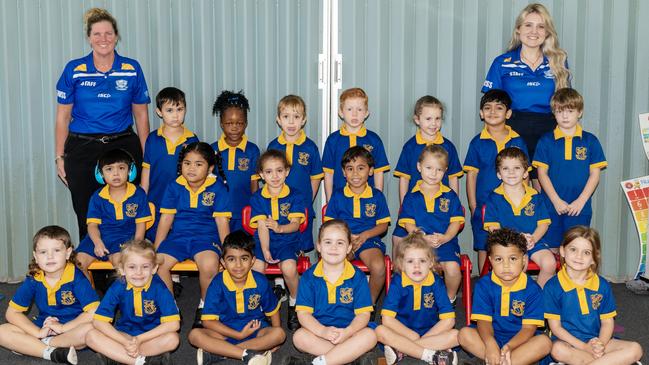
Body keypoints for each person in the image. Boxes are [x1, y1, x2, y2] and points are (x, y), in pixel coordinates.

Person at [55, 8, 150, 240]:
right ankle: (93, 271)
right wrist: (59, 157)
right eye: (97, 34)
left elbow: (141, 117)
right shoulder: (74, 70)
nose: (103, 39)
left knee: (128, 209)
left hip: (123, 145)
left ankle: (127, 270)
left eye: (108, 33)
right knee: (87, 212)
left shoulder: (131, 68)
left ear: (116, 36)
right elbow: (62, 118)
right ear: (89, 38)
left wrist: (147, 159)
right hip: (82, 148)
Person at [481, 3, 570, 187]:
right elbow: (491, 105)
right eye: (528, 25)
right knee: (513, 188)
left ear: (547, 32)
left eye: (541, 26)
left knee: (544, 191)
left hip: (548, 130)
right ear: (518, 29)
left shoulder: (558, 62)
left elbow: (566, 104)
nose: (534, 31)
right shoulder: (502, 63)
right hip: (512, 129)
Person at [154, 142, 231, 326]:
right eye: (187, 163)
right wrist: (156, 249)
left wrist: (227, 252)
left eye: (198, 164)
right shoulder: (174, 186)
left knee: (209, 265)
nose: (191, 169)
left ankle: (205, 306)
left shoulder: (218, 188)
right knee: (158, 264)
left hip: (206, 238)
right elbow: (166, 219)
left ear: (210, 167)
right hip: (178, 238)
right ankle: (171, 307)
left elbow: (222, 222)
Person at [544, 226, 643, 364]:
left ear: (594, 258)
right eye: (573, 250)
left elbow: (608, 322)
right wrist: (584, 347)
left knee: (636, 349)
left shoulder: (602, 285)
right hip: (568, 343)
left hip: (598, 340)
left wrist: (599, 345)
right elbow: (556, 328)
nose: (579, 256)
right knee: (557, 350)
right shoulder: (552, 286)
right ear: (562, 251)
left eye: (586, 252)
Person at [0, 226, 99, 364]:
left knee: (92, 329)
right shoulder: (35, 278)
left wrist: (63, 328)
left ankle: (37, 345)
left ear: (68, 252)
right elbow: (12, 313)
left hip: (73, 329)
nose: (50, 256)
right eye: (43, 252)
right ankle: (51, 353)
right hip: (44, 327)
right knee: (2, 332)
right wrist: (37, 332)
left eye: (57, 250)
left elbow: (94, 312)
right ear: (35, 256)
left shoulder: (76, 278)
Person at [188, 230, 285, 365]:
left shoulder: (261, 281)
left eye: (244, 258)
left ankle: (222, 354)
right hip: (225, 332)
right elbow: (208, 321)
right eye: (231, 259)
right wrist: (238, 335)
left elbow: (273, 310)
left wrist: (275, 339)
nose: (238, 265)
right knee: (194, 335)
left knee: (279, 334)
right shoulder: (217, 283)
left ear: (252, 261)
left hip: (255, 330)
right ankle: (248, 353)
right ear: (222, 262)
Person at [458, 228, 551, 365]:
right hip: (489, 336)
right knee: (464, 334)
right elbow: (484, 322)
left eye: (513, 259)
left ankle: (496, 361)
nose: (506, 265)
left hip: (520, 342)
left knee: (545, 343)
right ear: (490, 261)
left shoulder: (532, 290)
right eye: (499, 259)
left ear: (524, 260)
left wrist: (509, 347)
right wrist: (490, 344)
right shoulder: (484, 285)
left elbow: (528, 329)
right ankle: (502, 361)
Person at [291, 220, 377, 365]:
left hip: (350, 333)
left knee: (370, 336)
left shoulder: (358, 277)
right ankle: (346, 357)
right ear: (318, 246)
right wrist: (323, 331)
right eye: (328, 242)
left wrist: (348, 332)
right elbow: (303, 315)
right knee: (299, 337)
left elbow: (363, 314)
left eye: (340, 243)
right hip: (319, 333)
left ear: (349, 247)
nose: (334, 248)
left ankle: (322, 361)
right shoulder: (308, 277)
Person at [533, 88, 607, 250]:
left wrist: (581, 201)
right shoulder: (546, 141)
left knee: (576, 247)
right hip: (551, 206)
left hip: (580, 208)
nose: (565, 116)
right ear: (554, 113)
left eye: (570, 111)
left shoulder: (590, 141)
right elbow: (542, 174)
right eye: (560, 111)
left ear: (579, 112)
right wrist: (556, 201)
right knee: (552, 249)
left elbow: (595, 175)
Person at [463, 89, 529, 272]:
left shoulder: (518, 140)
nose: (492, 112)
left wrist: (525, 201)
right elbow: (472, 175)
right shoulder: (477, 142)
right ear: (481, 114)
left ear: (508, 113)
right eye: (487, 108)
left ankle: (513, 284)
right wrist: (473, 205)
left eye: (499, 108)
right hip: (484, 205)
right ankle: (485, 284)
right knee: (485, 245)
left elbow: (526, 175)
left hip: (512, 205)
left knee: (512, 245)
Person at [86, 240, 179, 365]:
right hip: (124, 335)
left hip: (150, 337)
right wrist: (125, 342)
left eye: (145, 267)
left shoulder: (160, 289)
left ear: (154, 268)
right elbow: (99, 320)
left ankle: (117, 356)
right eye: (132, 267)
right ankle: (142, 361)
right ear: (122, 270)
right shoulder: (118, 286)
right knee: (91, 335)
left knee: (173, 339)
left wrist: (140, 339)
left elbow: (174, 325)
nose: (138, 272)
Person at [375, 232, 459, 365]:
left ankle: (403, 350)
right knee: (379, 331)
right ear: (401, 265)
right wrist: (412, 336)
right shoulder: (398, 282)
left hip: (430, 332)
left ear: (431, 263)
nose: (417, 266)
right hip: (402, 332)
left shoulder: (436, 282)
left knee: (456, 335)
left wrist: (422, 338)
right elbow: (387, 319)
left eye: (422, 260)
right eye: (410, 261)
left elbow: (449, 320)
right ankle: (431, 355)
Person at [396, 145, 464, 301]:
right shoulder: (411, 196)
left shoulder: (450, 195)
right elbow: (408, 224)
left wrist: (446, 237)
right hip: (419, 243)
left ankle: (449, 300)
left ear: (445, 170)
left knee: (453, 269)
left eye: (439, 170)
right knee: (417, 268)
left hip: (445, 243)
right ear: (419, 167)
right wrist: (422, 237)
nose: (433, 174)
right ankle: (417, 301)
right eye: (429, 168)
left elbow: (456, 222)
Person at [324, 146, 390, 304]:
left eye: (361, 168)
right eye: (350, 169)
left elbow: (383, 226)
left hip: (368, 241)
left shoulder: (377, 196)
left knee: (379, 267)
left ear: (371, 170)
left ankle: (368, 303)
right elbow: (330, 223)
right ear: (343, 172)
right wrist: (346, 237)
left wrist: (365, 235)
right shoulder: (338, 195)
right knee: (335, 262)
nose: (355, 174)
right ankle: (337, 302)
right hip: (343, 240)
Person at [249, 149, 306, 330]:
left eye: (279, 170)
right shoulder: (257, 198)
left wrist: (280, 228)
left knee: (288, 268)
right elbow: (261, 227)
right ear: (261, 175)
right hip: (263, 241)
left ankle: (295, 303)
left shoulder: (295, 195)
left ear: (287, 171)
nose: (275, 176)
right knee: (257, 268)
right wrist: (265, 249)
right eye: (269, 172)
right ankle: (261, 306)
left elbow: (295, 224)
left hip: (288, 240)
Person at [483, 147, 556, 287]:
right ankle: (517, 298)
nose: (511, 172)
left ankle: (537, 297)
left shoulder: (535, 196)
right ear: (498, 174)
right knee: (519, 264)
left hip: (533, 241)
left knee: (549, 263)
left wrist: (533, 238)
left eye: (516, 168)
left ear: (525, 172)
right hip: (507, 244)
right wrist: (515, 240)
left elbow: (543, 224)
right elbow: (493, 228)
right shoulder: (494, 198)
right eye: (505, 168)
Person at [75, 149, 152, 277]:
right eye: (109, 169)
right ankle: (90, 297)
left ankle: (126, 295)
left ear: (130, 171)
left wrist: (136, 247)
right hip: (99, 237)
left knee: (121, 264)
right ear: (100, 174)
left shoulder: (138, 194)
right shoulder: (97, 197)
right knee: (78, 263)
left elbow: (141, 224)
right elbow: (92, 225)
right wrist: (97, 242)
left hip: (126, 237)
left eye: (121, 168)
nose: (115, 173)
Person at [141, 87, 199, 241]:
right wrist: (142, 201)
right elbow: (146, 173)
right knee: (157, 246)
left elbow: (197, 177)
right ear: (159, 112)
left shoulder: (192, 140)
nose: (175, 115)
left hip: (182, 205)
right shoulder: (152, 139)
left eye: (180, 109)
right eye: (170, 110)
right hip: (156, 202)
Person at [267, 95, 323, 253]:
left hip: (301, 206)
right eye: (286, 117)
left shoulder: (310, 147)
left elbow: (316, 178)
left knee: (300, 246)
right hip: (277, 205)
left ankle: (301, 275)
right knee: (278, 242)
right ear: (278, 120)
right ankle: (279, 276)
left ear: (303, 120)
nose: (291, 122)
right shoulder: (274, 146)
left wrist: (306, 201)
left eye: (296, 117)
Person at [322, 87, 390, 201]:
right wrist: (330, 201)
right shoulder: (333, 140)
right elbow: (328, 174)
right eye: (349, 109)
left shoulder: (374, 140)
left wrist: (377, 200)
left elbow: (378, 172)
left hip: (367, 200)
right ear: (341, 112)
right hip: (340, 200)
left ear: (366, 113)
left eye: (359, 109)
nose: (354, 114)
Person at [210, 90, 260, 232]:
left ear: (246, 123)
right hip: (218, 213)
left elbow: (254, 184)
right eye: (229, 123)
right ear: (221, 123)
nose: (234, 127)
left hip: (244, 213)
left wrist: (254, 210)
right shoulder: (213, 149)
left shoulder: (252, 150)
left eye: (239, 123)